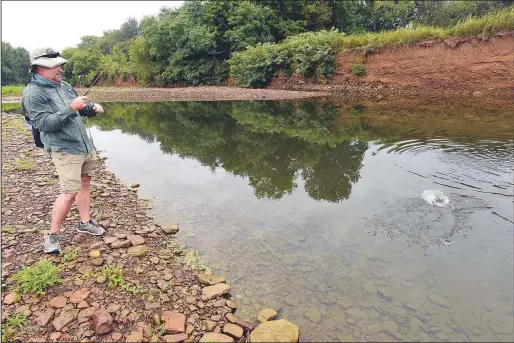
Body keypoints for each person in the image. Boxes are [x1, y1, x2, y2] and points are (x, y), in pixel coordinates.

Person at [21, 47, 106, 254]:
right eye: (55, 66)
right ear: (39, 68)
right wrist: (72, 108)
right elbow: (45, 124)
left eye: (60, 64)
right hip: (64, 149)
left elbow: (79, 106)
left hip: (82, 144)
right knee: (69, 192)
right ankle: (52, 235)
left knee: (85, 182)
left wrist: (92, 108)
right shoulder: (33, 94)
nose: (60, 69)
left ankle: (85, 222)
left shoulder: (63, 85)